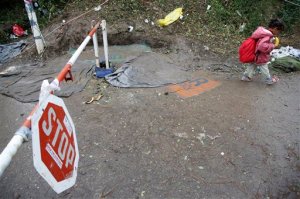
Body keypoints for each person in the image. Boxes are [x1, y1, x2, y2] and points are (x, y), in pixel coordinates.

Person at [241, 19, 284, 84]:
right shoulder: (268, 36)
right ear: (275, 29)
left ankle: (246, 77)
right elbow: (261, 46)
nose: (278, 33)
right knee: (264, 67)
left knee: (252, 65)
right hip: (260, 56)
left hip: (255, 54)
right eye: (279, 31)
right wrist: (272, 46)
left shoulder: (263, 33)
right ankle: (268, 79)